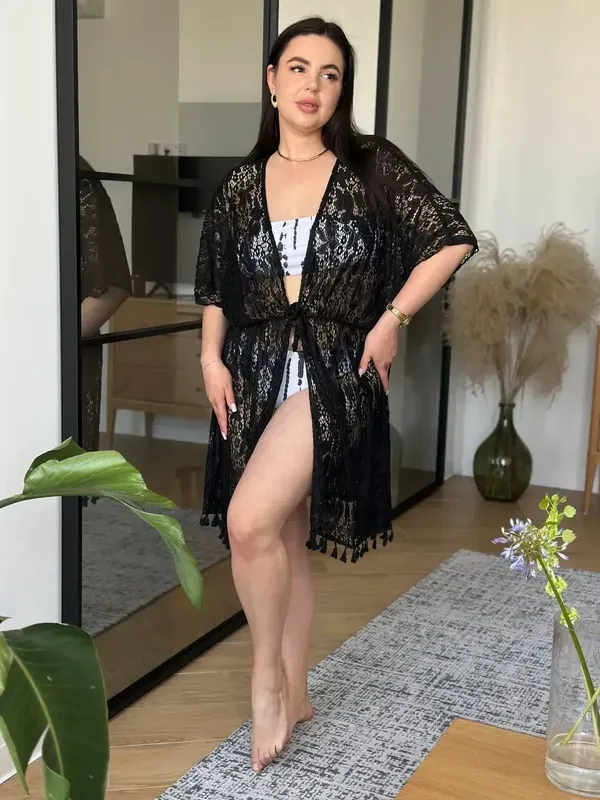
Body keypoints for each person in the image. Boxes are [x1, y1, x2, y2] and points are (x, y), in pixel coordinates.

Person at [195, 17, 477, 772]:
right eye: (298, 68)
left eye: (330, 74)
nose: (312, 86)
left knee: (249, 522)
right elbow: (216, 285)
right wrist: (209, 358)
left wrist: (391, 320)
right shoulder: (240, 185)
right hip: (256, 373)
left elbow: (451, 238)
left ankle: (265, 680)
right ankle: (297, 688)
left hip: (337, 373)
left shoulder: (370, 165)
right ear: (272, 80)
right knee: (281, 537)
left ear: (342, 89)